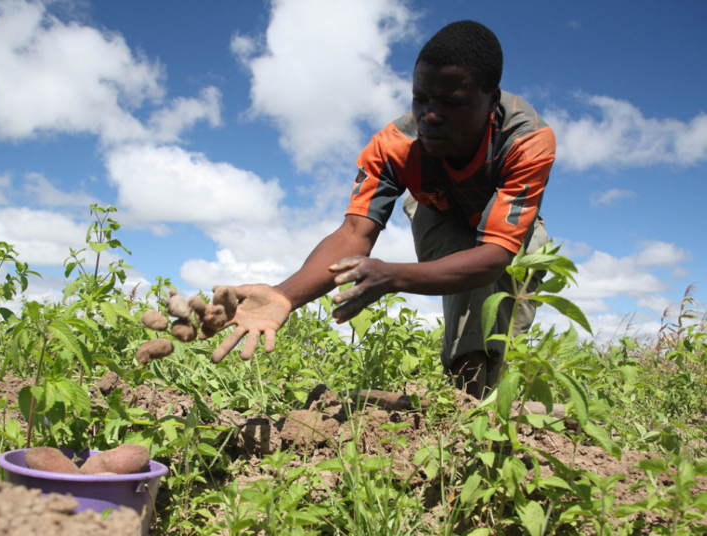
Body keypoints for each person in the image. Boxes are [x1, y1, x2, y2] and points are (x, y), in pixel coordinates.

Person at [211, 20, 555, 399]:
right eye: (420, 99)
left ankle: (487, 406)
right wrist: (284, 295)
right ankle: (466, 408)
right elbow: (353, 234)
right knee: (471, 318)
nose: (431, 116)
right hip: (438, 212)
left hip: (506, 232)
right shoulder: (395, 147)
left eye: (452, 103)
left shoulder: (526, 140)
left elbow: (492, 257)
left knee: (504, 327)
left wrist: (393, 276)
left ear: (491, 101)